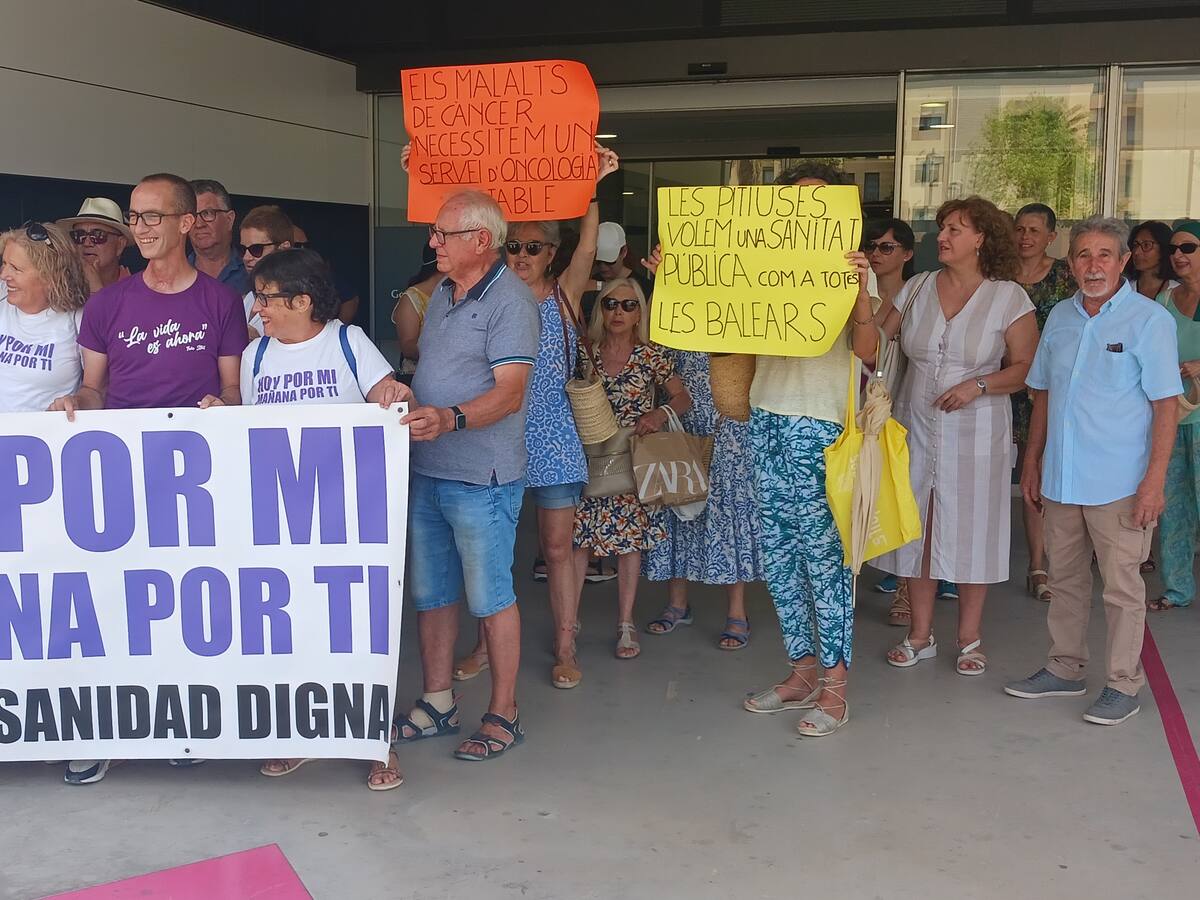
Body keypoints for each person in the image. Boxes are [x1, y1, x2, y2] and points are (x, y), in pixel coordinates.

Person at [49, 172, 249, 784]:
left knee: (185, 603)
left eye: (152, 216)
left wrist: (221, 408)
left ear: (187, 223)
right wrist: (75, 402)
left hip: (196, 478)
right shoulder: (107, 305)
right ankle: (102, 730)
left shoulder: (220, 302)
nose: (140, 227)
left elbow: (234, 389)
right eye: (135, 217)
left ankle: (179, 721)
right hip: (121, 475)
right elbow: (95, 388)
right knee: (115, 600)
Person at [229, 248, 411, 788]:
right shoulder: (255, 356)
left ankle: (376, 742)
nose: (257, 309)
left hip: (348, 521)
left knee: (358, 633)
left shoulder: (348, 342)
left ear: (302, 301)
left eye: (266, 298)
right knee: (290, 630)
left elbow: (385, 396)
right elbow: (246, 429)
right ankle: (296, 733)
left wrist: (393, 394)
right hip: (279, 523)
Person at [453, 143, 619, 689]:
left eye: (533, 247)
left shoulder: (564, 294)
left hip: (553, 435)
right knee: (492, 549)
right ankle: (484, 644)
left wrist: (591, 187)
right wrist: (431, 176)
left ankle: (566, 645)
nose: (521, 255)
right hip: (494, 433)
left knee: (558, 548)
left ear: (552, 253)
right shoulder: (486, 295)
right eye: (513, 246)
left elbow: (589, 245)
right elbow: (454, 234)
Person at [1007, 215, 1180, 726]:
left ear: (1124, 261)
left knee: (1122, 589)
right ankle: (1065, 668)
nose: (1094, 264)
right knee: (1065, 580)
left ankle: (1123, 684)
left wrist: (1154, 483)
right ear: (1071, 262)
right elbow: (1043, 395)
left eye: (1105, 254)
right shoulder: (1060, 316)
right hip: (1063, 478)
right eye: (1083, 254)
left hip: (1120, 483)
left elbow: (1166, 407)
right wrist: (1032, 463)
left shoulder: (1149, 321)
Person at [393, 190, 539, 762]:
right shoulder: (442, 294)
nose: (433, 242)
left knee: (491, 597)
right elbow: (434, 372)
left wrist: (449, 418)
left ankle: (504, 712)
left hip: (483, 476)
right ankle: (437, 702)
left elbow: (510, 393)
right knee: (431, 595)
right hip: (428, 468)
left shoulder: (511, 301)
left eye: (443, 233)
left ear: (481, 240)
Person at [741, 161, 877, 736]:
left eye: (821, 201)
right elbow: (715, 326)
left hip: (821, 425)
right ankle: (801, 671)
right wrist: (679, 278)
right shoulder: (756, 263)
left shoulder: (851, 267)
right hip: (765, 416)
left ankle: (835, 686)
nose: (810, 211)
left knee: (825, 559)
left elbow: (868, 350)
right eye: (799, 201)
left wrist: (861, 292)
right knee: (778, 555)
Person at [876, 196, 1038, 677]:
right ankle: (919, 635)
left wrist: (978, 385)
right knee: (918, 529)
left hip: (978, 433)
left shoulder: (1009, 297)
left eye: (955, 229)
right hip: (913, 426)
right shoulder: (917, 287)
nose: (942, 237)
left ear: (981, 238)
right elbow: (875, 343)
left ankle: (969, 639)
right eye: (943, 228)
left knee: (973, 531)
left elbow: (1027, 368)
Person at [571, 277, 691, 660]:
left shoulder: (651, 355)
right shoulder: (585, 352)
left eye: (628, 305)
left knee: (630, 543)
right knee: (578, 540)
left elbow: (682, 397)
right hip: (590, 457)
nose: (618, 312)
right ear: (600, 310)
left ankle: (626, 623)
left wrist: (659, 413)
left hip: (632, 461)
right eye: (610, 304)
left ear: (640, 312)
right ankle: (567, 623)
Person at [859, 218, 958, 614]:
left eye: (886, 247)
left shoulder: (918, 294)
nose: (876, 254)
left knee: (905, 493)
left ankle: (906, 586)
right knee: (863, 492)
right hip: (858, 404)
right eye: (871, 246)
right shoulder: (855, 293)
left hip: (903, 407)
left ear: (907, 253)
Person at [1012, 203, 1078, 603]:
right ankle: (1037, 564)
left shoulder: (1066, 275)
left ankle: (1060, 559)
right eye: (1020, 229)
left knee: (1056, 470)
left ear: (1051, 236)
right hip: (1009, 384)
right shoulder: (999, 275)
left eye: (1034, 230)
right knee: (1029, 470)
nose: (1025, 237)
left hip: (1056, 387)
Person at [1150, 220, 1200, 611]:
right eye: (1173, 249)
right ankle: (1178, 589)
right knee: (1173, 507)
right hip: (1173, 417)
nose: (1178, 255)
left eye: (1188, 248)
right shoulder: (1166, 298)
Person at [0, 223, 88, 411]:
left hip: (45, 428)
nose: (4, 275)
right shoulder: (2, 295)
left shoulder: (78, 318)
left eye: (15, 268)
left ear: (50, 275)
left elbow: (97, 389)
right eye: (4, 264)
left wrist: (77, 402)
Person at [238, 204, 294, 336]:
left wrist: (259, 341)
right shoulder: (246, 300)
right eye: (243, 249)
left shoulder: (297, 305)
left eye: (256, 249)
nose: (246, 257)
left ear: (284, 248)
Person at [56, 198, 132, 295]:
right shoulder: (59, 286)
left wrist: (96, 291)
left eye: (98, 235)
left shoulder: (137, 290)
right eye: (79, 235)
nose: (87, 243)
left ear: (120, 245)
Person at [188, 178, 250, 296]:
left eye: (208, 213)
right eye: (193, 216)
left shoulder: (251, 270)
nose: (199, 224)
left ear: (229, 219)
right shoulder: (174, 275)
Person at [292, 224, 359, 325]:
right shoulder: (270, 279)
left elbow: (350, 298)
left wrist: (336, 328)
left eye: (306, 246)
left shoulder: (316, 273)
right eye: (297, 246)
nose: (303, 250)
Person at [392, 244, 440, 376]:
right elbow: (408, 346)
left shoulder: (457, 292)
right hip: (419, 376)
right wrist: (445, 351)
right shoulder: (412, 297)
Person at [1125, 220, 1178, 303]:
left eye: (1146, 245)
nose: (1136, 252)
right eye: (1135, 245)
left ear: (1163, 248)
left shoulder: (1177, 291)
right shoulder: (1125, 289)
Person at [595, 222, 652, 297]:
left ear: (624, 252)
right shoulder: (591, 283)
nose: (603, 266)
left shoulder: (645, 288)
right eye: (598, 261)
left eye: (609, 261)